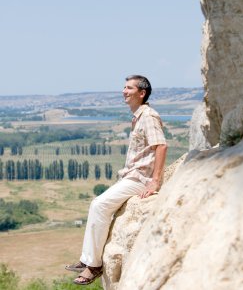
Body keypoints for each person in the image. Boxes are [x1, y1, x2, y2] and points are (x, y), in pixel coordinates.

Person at [65, 75, 167, 286]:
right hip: (132, 175)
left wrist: (155, 181)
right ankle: (86, 259)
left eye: (129, 88)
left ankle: (93, 266)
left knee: (99, 205)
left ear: (142, 93)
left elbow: (161, 146)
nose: (124, 91)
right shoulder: (138, 116)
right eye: (124, 87)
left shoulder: (148, 116)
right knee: (99, 206)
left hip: (141, 178)